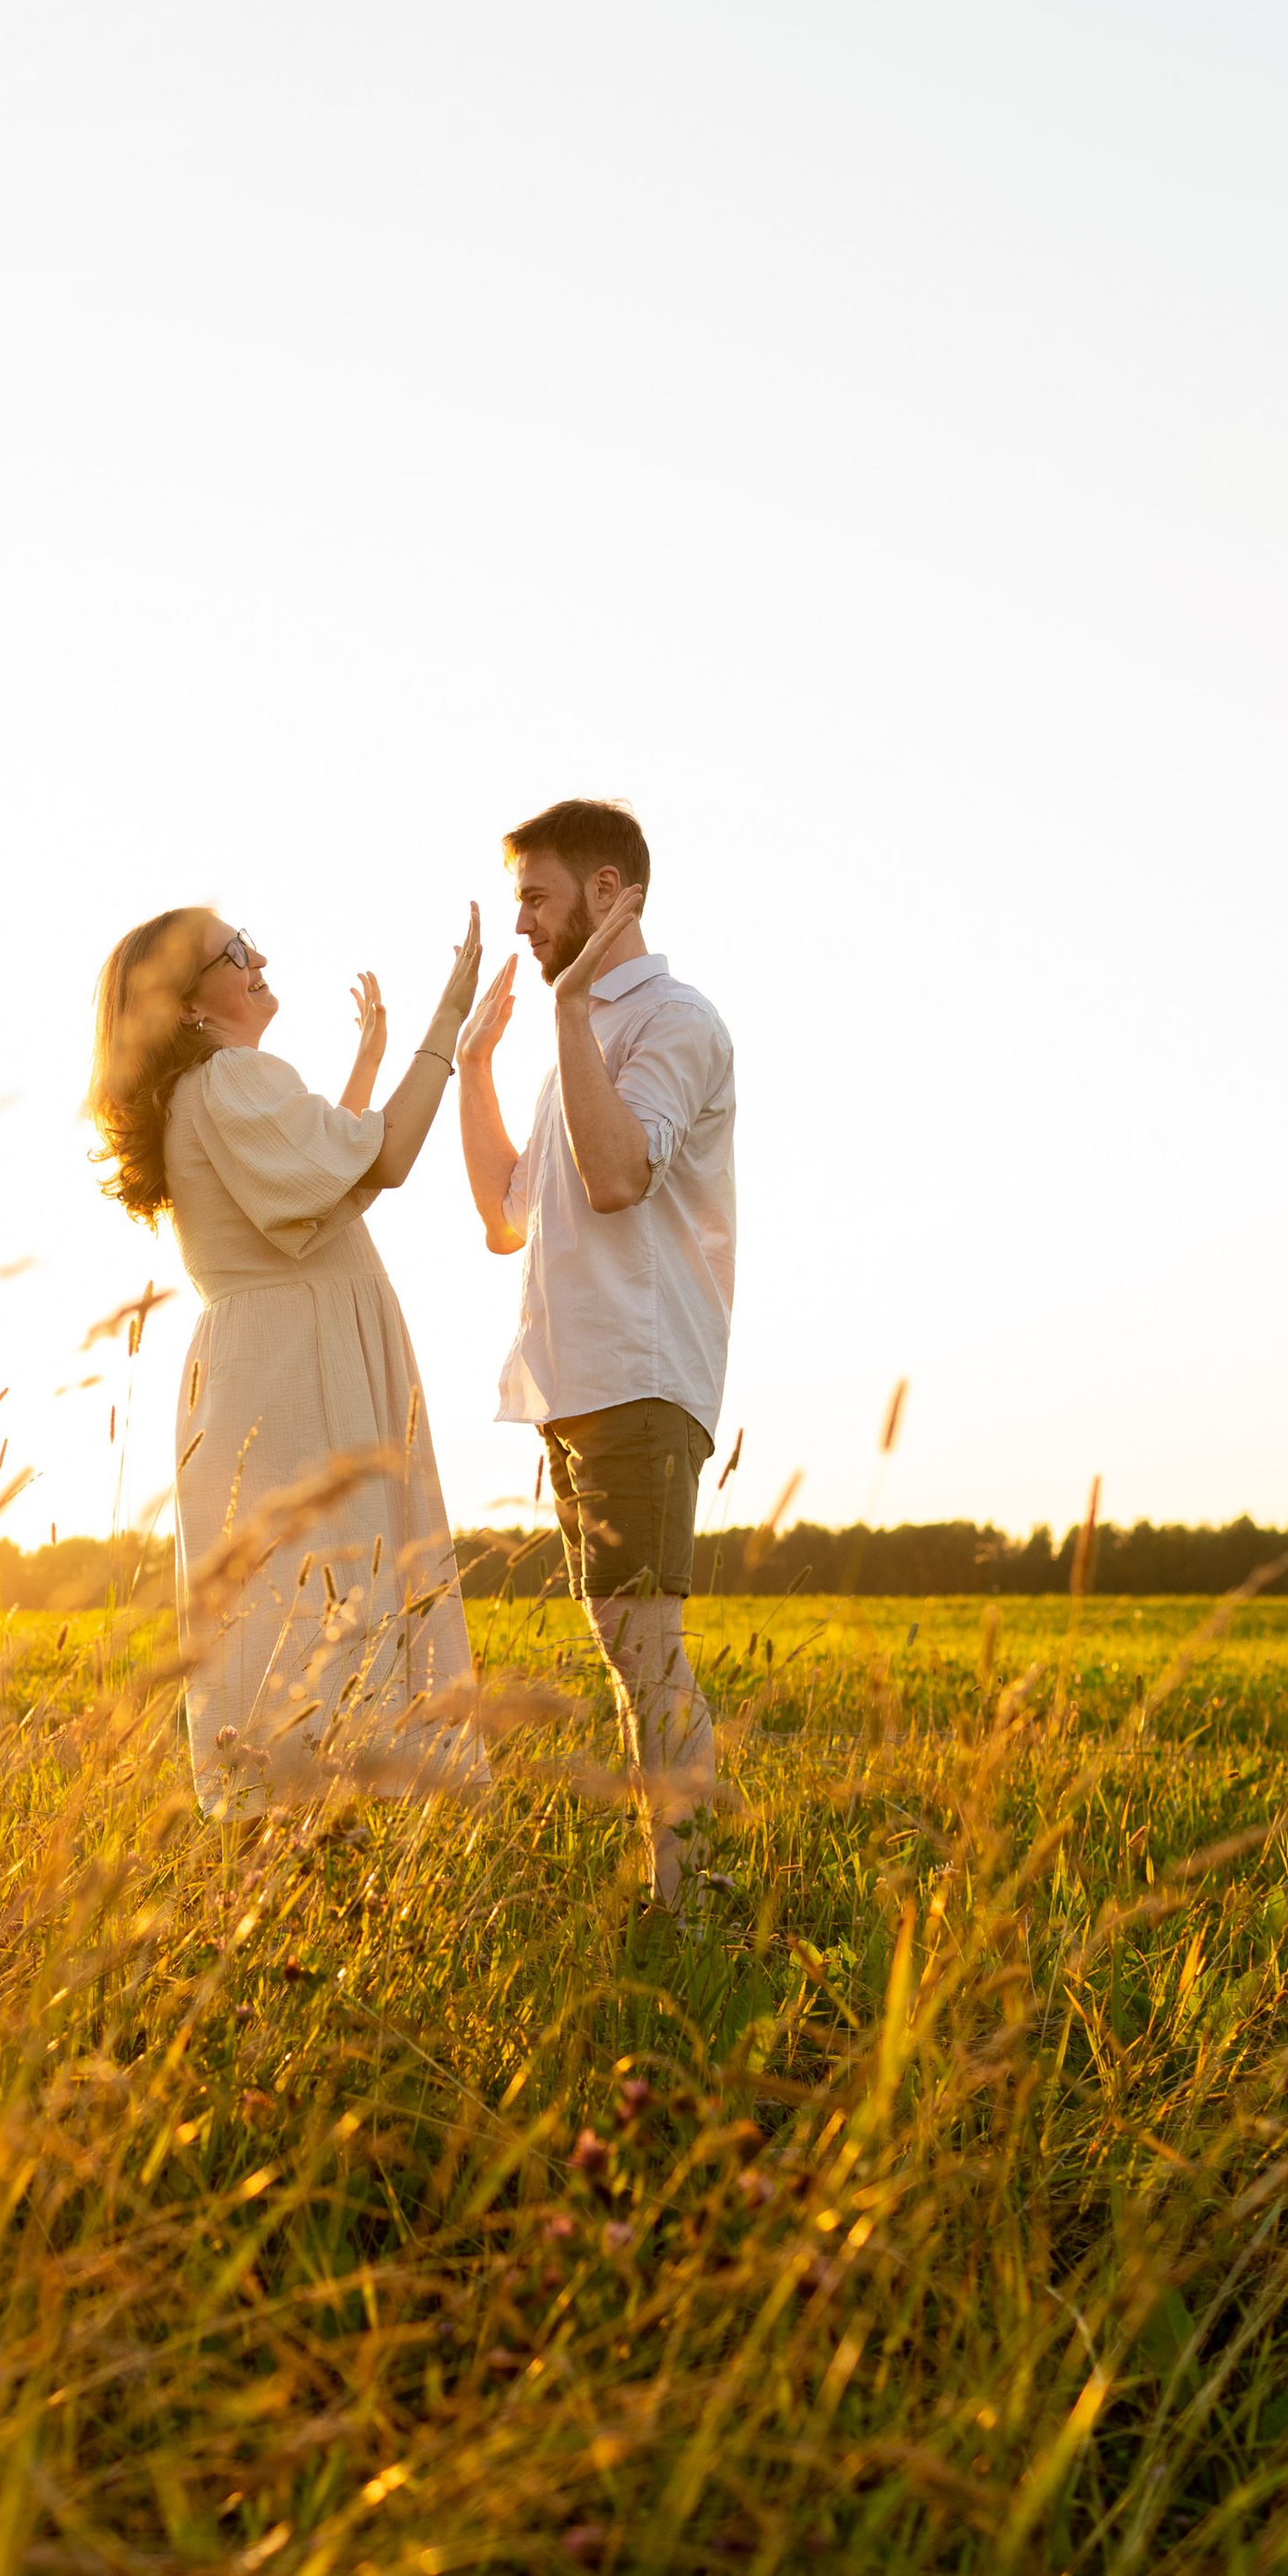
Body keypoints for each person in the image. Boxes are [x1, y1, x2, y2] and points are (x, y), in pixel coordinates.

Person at [89, 904, 490, 1818]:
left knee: (296, 1605)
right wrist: (447, 1022)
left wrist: (367, 1065)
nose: (259, 956)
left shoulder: (222, 1089)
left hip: (270, 1359)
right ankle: (339, 1834)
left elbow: (319, 1182)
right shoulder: (235, 1079)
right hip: (299, 1369)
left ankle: (304, 1835)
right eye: (235, 953)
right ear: (186, 1001)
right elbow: (381, 1161)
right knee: (332, 1593)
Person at [455, 797, 737, 1907]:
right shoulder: (569, 1041)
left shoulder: (670, 1020)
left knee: (648, 1651)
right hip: (572, 1390)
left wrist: (568, 1012)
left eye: (538, 896)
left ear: (612, 893)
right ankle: (673, 1889)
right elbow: (505, 1217)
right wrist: (479, 1065)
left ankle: (692, 1908)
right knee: (628, 1651)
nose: (520, 921)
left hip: (639, 1376)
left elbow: (621, 1179)